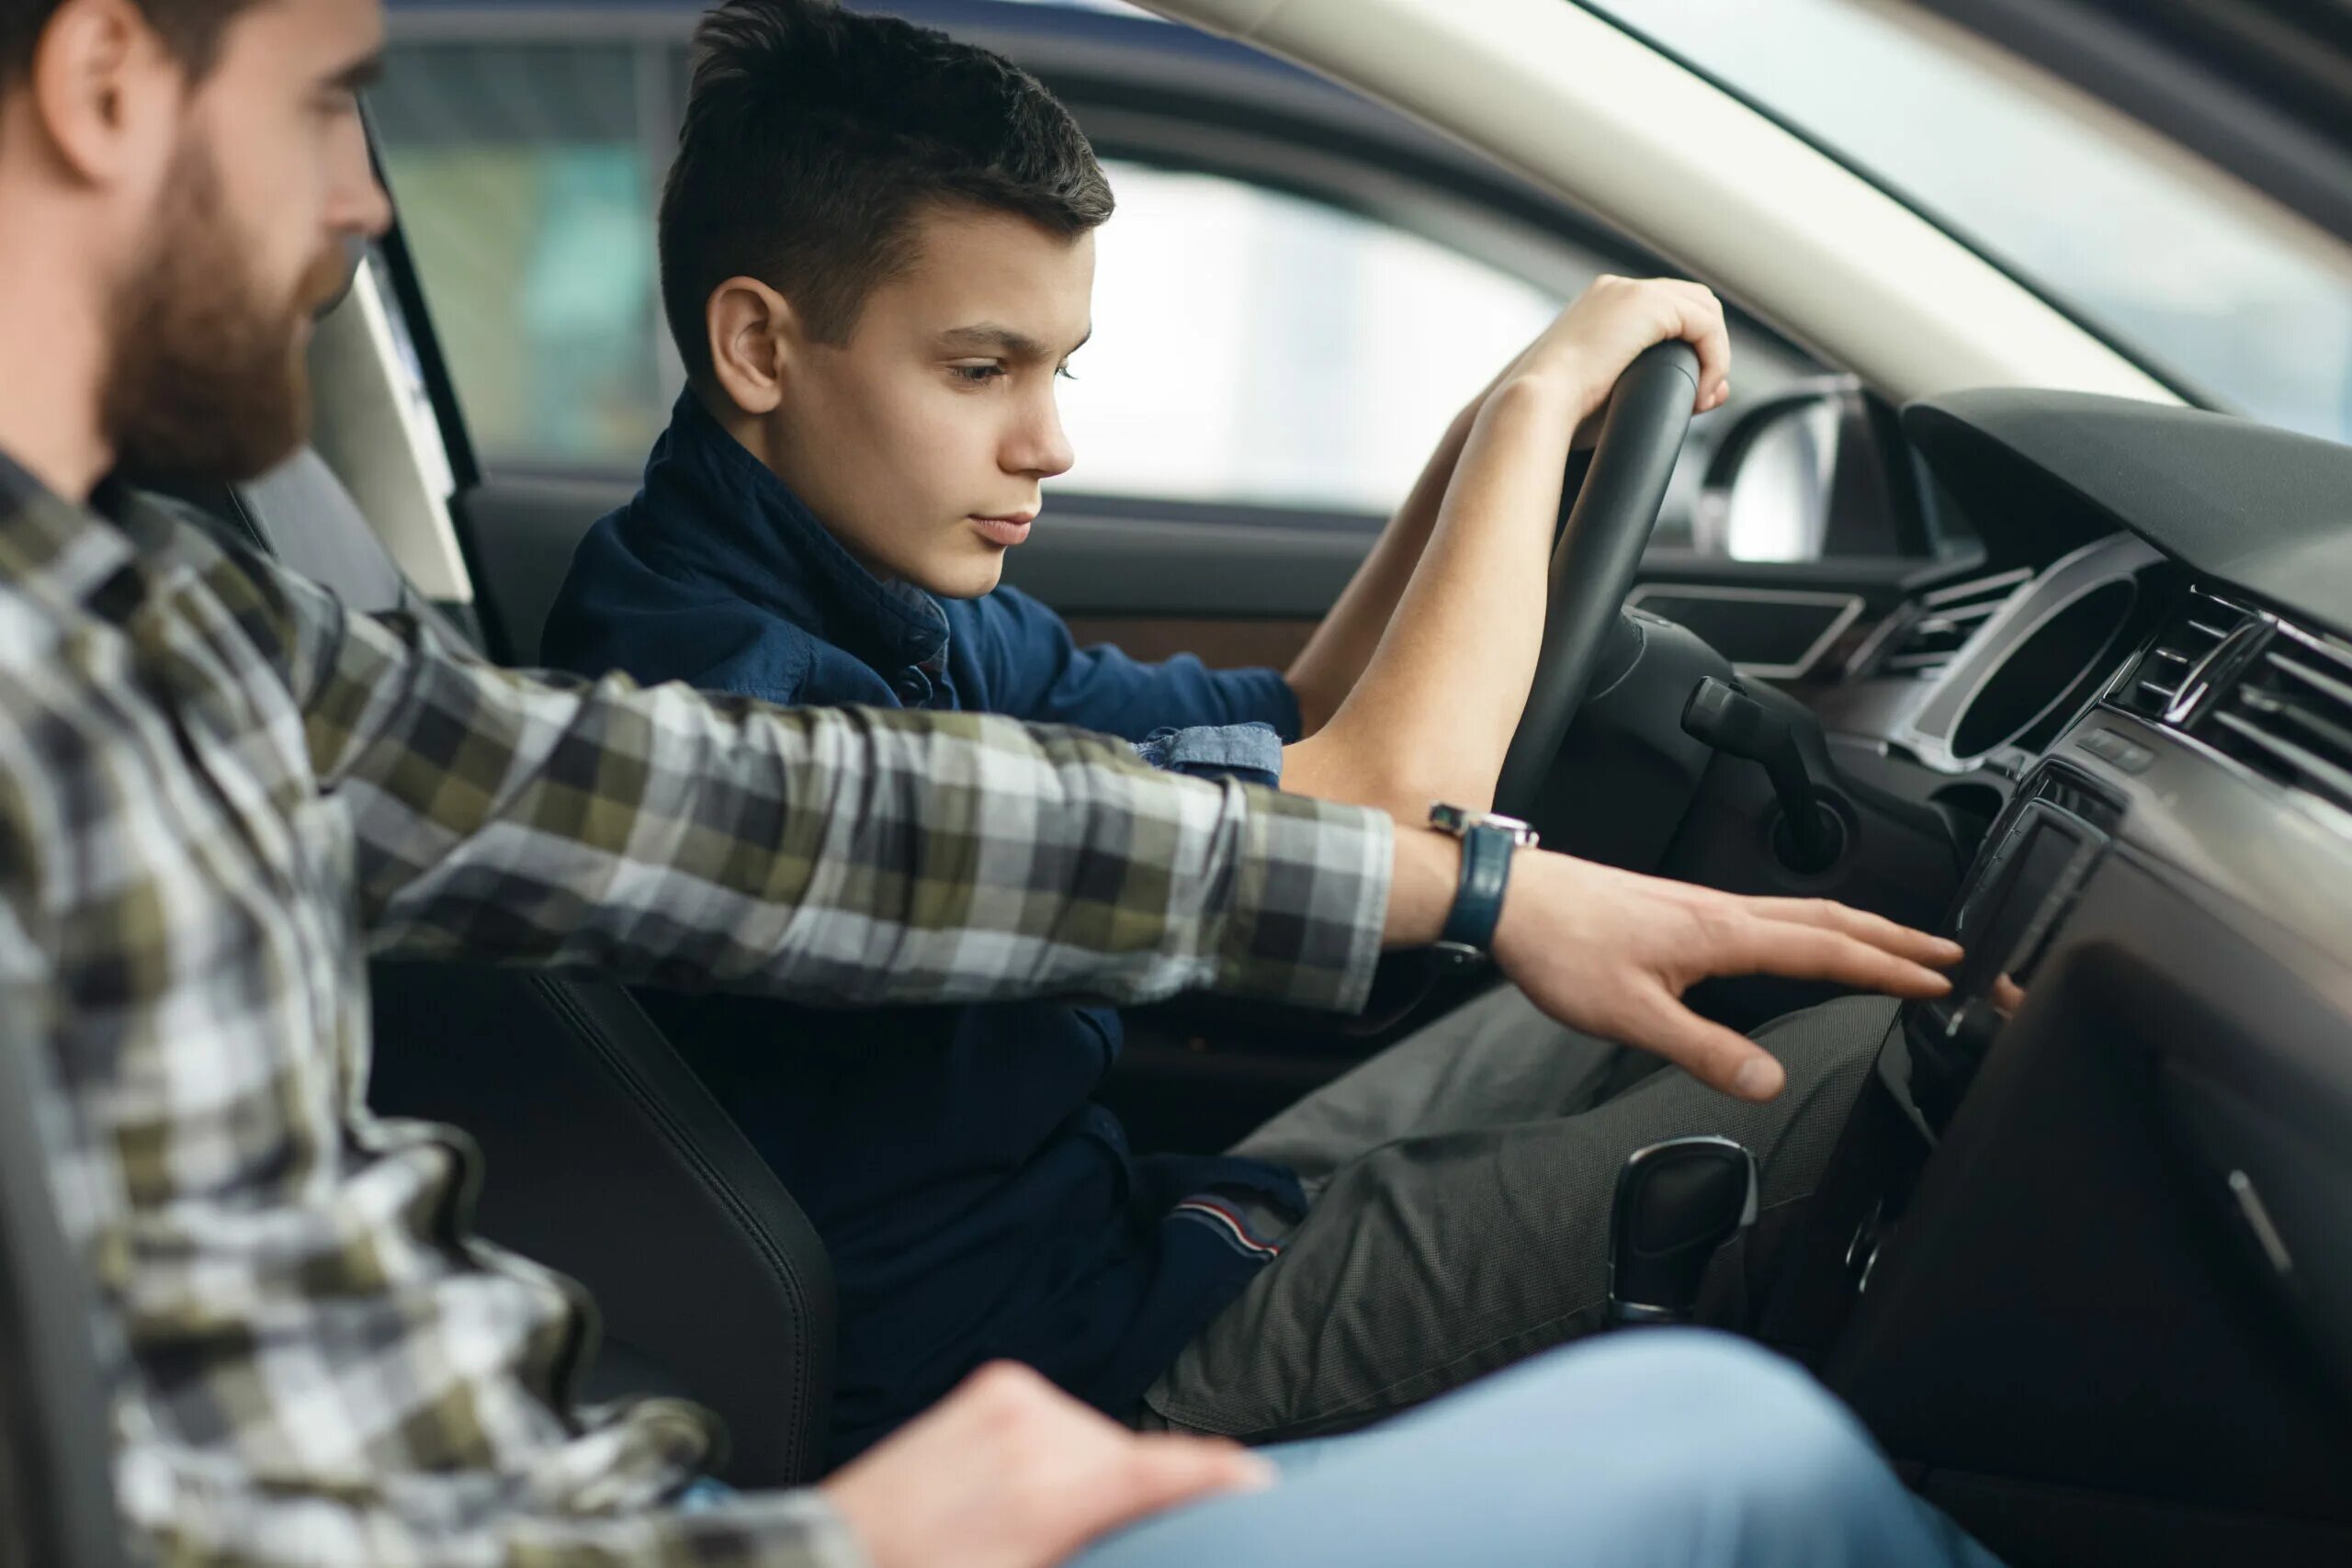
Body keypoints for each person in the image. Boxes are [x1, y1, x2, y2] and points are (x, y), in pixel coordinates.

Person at [0, 1, 1991, 1565]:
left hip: (984, 1318)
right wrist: (845, 1541)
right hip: (945, 1394)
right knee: (1758, 1410)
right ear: (102, 80)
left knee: (1745, 1052)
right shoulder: (662, 634)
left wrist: (1465, 872)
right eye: (331, 98)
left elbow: (799, 821)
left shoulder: (169, 619)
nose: (366, 202)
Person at [544, 0, 1907, 1461]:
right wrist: (1534, 408)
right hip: (1058, 1382)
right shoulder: (726, 691)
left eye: (1057, 370)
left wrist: (1484, 437)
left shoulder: (890, 604)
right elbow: (1382, 800)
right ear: (758, 345)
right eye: (977, 370)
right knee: (1852, 1086)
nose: (1048, 444)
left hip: (1127, 1243)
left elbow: (1304, 724)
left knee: (1732, 1021)